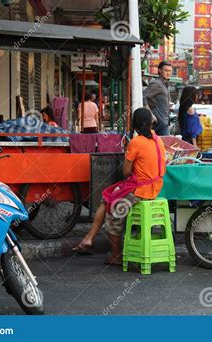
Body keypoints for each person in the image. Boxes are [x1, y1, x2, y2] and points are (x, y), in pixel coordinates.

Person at [73, 107, 166, 265]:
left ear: (135, 125)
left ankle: (116, 255)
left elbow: (126, 172)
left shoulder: (136, 142)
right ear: (150, 124)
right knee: (107, 196)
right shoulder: (158, 139)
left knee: (114, 212)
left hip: (141, 190)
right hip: (155, 187)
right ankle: (88, 238)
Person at [143, 61, 173, 136]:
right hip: (159, 122)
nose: (168, 73)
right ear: (159, 70)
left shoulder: (165, 84)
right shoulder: (157, 83)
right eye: (166, 70)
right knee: (164, 145)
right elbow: (143, 96)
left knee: (160, 145)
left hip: (164, 121)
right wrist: (151, 114)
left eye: (169, 71)